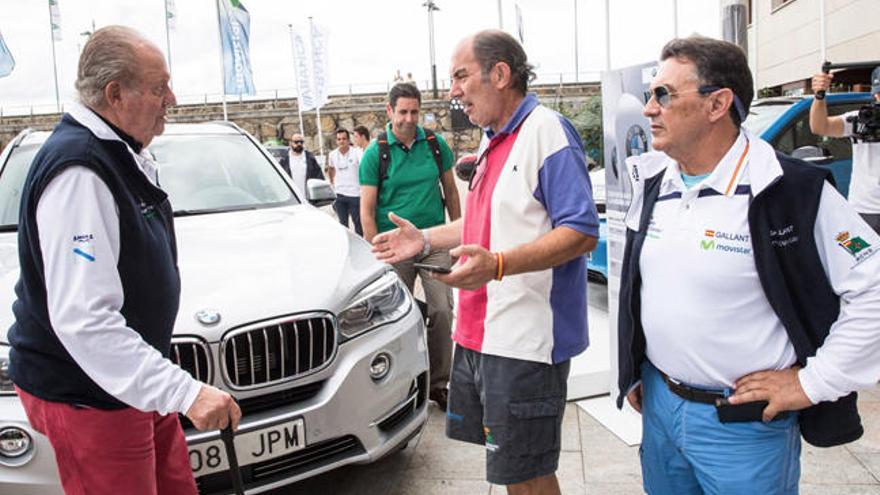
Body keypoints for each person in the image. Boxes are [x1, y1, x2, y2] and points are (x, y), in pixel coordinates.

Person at [617, 36, 880, 494]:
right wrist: (636, 369)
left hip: (742, 426)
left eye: (663, 95)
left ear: (718, 103)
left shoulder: (793, 191)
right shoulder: (657, 184)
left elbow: (874, 287)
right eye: (648, 95)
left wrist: (814, 383)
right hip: (659, 409)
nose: (649, 110)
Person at [7, 26, 242, 495]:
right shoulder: (79, 171)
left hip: (133, 382)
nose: (171, 99)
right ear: (115, 94)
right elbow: (84, 319)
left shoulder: (120, 153)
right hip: (90, 395)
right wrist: (186, 392)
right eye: (159, 87)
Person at [370, 30, 598, 495]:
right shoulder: (495, 139)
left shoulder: (546, 131)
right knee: (512, 472)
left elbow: (580, 231)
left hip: (526, 342)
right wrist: (424, 238)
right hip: (484, 337)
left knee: (528, 474)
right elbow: (481, 219)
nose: (452, 90)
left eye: (460, 76)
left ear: (500, 74)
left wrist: (496, 264)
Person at [359, 82, 461, 412]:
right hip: (395, 248)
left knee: (442, 311)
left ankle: (439, 384)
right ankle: (399, 385)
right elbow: (366, 209)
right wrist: (376, 253)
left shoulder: (435, 144)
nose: (409, 118)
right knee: (394, 319)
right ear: (389, 111)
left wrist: (461, 233)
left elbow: (451, 191)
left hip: (433, 241)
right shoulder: (376, 153)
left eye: (414, 111)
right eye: (402, 111)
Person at [810, 67, 880, 233]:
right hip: (864, 209)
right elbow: (820, 126)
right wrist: (819, 95)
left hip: (864, 208)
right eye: (879, 93)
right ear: (874, 95)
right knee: (862, 257)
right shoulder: (861, 118)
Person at [327, 128, 363, 235]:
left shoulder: (357, 152)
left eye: (344, 139)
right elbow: (330, 168)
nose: (341, 141)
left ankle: (360, 246)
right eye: (339, 139)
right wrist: (332, 182)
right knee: (343, 225)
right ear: (336, 141)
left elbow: (363, 168)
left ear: (348, 140)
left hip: (355, 194)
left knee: (358, 224)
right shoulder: (332, 154)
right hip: (340, 194)